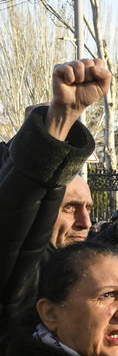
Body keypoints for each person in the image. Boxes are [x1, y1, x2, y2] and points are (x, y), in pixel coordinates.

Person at [0, 60, 105, 328]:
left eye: (89, 209)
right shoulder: (22, 276)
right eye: (69, 207)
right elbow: (15, 226)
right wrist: (58, 122)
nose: (85, 223)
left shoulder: (98, 269)